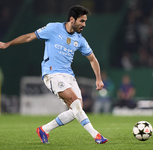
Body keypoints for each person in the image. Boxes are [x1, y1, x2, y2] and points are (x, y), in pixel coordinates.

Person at [0, 5, 107, 144]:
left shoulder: (79, 39)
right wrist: (7, 44)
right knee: (75, 104)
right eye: (82, 21)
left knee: (76, 110)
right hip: (52, 74)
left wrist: (98, 79)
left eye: (85, 21)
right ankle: (96, 135)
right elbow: (29, 37)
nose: (84, 24)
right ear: (72, 19)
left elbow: (93, 59)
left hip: (69, 76)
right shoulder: (53, 28)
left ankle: (44, 129)